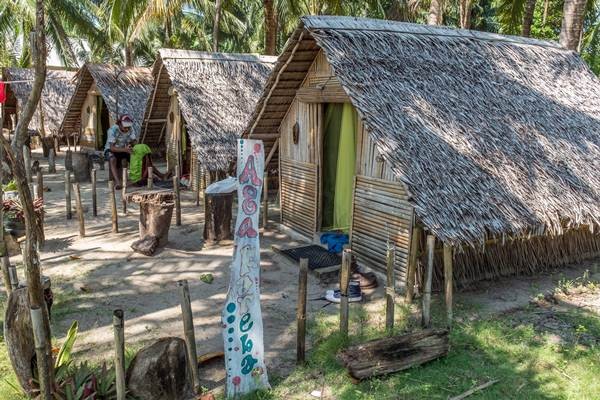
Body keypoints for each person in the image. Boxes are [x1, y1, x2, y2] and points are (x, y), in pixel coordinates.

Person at [105, 114, 136, 189]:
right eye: (125, 127)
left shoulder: (130, 128)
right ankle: (118, 182)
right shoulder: (112, 130)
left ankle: (137, 178)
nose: (127, 129)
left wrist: (130, 144)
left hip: (124, 149)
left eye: (128, 127)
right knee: (112, 159)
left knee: (135, 156)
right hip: (111, 150)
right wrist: (125, 150)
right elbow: (112, 148)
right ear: (119, 124)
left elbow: (134, 141)